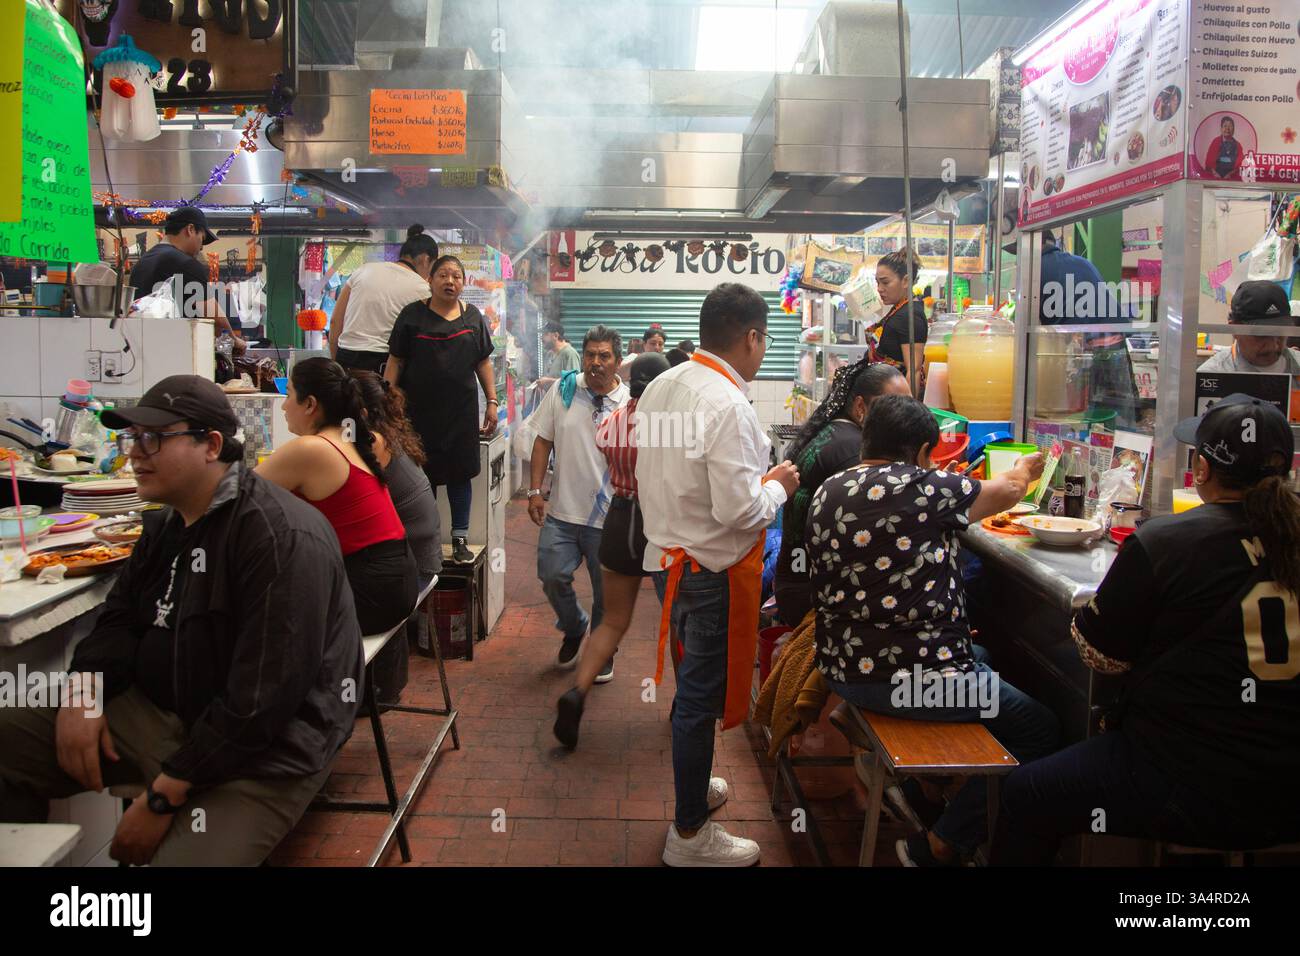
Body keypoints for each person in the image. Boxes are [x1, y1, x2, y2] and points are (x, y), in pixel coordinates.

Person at [0, 376, 362, 865]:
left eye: (153, 439)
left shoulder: (278, 535)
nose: (135, 454)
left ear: (211, 445)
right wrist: (83, 694)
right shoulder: (169, 522)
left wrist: (162, 797)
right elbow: (118, 619)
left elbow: (262, 699)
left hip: (264, 752)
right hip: (165, 714)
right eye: (131, 439)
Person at [994, 396, 1300, 863]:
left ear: (1200, 471)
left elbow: (1102, 657)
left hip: (1186, 780)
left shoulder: (1166, 541)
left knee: (1025, 795)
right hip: (1288, 788)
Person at [807, 395, 1058, 867]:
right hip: (910, 681)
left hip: (844, 667)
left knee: (981, 656)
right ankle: (944, 841)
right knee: (1039, 730)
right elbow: (1007, 492)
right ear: (923, 451)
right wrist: (1026, 466)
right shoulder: (923, 487)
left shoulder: (833, 487)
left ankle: (928, 785)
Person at [636, 283, 801, 866]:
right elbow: (740, 510)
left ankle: (693, 784)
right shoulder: (727, 405)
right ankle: (687, 835)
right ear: (753, 337)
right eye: (765, 339)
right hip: (706, 574)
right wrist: (779, 484)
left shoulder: (662, 384)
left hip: (668, 563)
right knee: (699, 702)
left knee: (690, 694)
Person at [257, 358, 418, 706]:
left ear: (311, 404)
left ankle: (289, 724)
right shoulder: (357, 438)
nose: (284, 404)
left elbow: (235, 502)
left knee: (255, 616)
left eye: (290, 395)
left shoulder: (311, 449)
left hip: (373, 591)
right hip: (396, 580)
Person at [554, 351, 671, 749]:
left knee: (613, 620)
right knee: (677, 618)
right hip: (660, 523)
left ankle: (578, 691)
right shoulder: (666, 427)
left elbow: (610, 455)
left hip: (619, 520)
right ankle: (687, 704)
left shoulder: (611, 422)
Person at [772, 362, 910, 626]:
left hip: (796, 577)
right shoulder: (853, 451)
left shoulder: (836, 432)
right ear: (861, 407)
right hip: (811, 592)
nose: (905, 417)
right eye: (894, 407)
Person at [528, 326, 630, 672]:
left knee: (605, 594)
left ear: (617, 361)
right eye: (590, 355)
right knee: (551, 575)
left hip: (608, 519)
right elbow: (543, 440)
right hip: (562, 512)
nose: (595, 363)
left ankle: (601, 654)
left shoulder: (630, 403)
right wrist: (535, 491)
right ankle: (573, 627)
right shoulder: (564, 390)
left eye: (604, 356)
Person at [386, 254, 499, 564]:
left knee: (461, 475)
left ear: (463, 283)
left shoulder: (473, 317)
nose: (451, 281)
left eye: (457, 276)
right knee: (424, 478)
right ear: (430, 280)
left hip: (461, 413)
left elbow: (483, 362)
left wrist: (491, 401)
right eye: (444, 275)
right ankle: (426, 539)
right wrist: (388, 401)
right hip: (417, 413)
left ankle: (459, 538)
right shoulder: (412, 316)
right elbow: (396, 361)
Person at [350, 369, 442, 692]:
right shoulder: (385, 431)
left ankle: (367, 691)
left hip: (413, 569)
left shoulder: (373, 442)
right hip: (417, 560)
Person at [129, 207, 245, 350]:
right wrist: (236, 342)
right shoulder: (186, 264)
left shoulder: (141, 264)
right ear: (190, 229)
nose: (201, 247)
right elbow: (215, 320)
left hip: (140, 353)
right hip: (176, 355)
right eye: (201, 239)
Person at [329, 224, 438, 373]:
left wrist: (337, 363)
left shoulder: (363, 270)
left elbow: (335, 321)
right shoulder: (422, 289)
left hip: (346, 355)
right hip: (382, 364)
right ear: (426, 260)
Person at [1197, 280, 1299, 375]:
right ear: (1234, 329)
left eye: (1280, 333)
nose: (1274, 346)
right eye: (1262, 335)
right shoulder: (1213, 376)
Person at [871, 248, 928, 389]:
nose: (879, 288)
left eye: (885, 282)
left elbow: (913, 371)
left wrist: (905, 409)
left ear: (906, 281)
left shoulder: (911, 315)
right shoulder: (900, 308)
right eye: (877, 282)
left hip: (893, 398)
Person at [537, 322, 581, 389]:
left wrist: (548, 381)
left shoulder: (570, 354)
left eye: (545, 334)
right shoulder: (549, 354)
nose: (541, 338)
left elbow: (572, 383)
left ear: (556, 336)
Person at [1203, 115, 1244, 181]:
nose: (1227, 129)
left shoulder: (1238, 145)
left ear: (1233, 129)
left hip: (1231, 178)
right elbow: (1209, 162)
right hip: (1215, 178)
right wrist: (1215, 174)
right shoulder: (1216, 142)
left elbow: (1240, 165)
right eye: (1225, 126)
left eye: (1230, 126)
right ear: (1221, 128)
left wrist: (1230, 175)